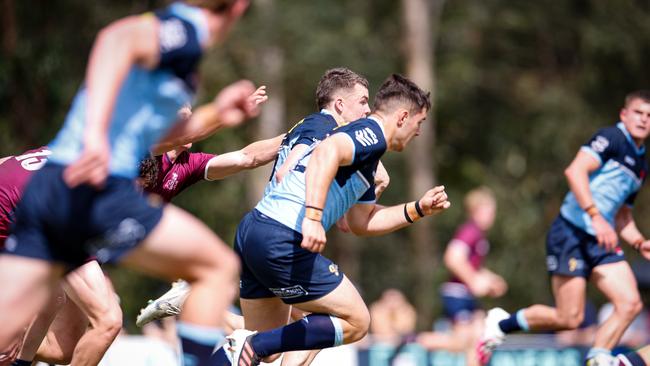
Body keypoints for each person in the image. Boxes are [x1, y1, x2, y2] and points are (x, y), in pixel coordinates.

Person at [0, 2, 259, 366]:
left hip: (53, 186)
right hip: (94, 189)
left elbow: (155, 135)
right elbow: (114, 39)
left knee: (10, 334)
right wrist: (93, 134)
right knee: (217, 268)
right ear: (237, 7)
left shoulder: (181, 51)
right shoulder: (189, 28)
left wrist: (216, 114)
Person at [139, 67, 388, 365]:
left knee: (270, 342)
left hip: (260, 235)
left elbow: (246, 157)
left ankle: (196, 303)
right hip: (279, 238)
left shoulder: (189, 164)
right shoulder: (145, 147)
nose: (368, 109)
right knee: (337, 319)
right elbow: (290, 167)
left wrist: (291, 139)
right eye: (362, 101)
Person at [219, 74, 450, 366]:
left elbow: (360, 223)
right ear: (403, 117)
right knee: (357, 320)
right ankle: (253, 343)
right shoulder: (371, 132)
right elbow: (327, 151)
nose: (418, 132)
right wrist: (313, 217)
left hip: (255, 230)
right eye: (420, 122)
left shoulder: (367, 158)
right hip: (283, 234)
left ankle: (242, 340)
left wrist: (417, 209)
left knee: (265, 349)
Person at [478, 90, 650, 366]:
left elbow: (622, 216)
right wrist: (595, 216)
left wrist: (640, 242)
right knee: (570, 318)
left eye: (649, 116)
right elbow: (575, 171)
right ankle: (502, 323)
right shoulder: (612, 138)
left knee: (630, 304)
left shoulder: (641, 163)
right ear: (624, 114)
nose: (643, 120)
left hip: (601, 240)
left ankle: (599, 358)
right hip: (572, 233)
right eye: (638, 112)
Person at [0, 147, 122, 366]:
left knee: (62, 347)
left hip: (28, 206)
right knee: (108, 320)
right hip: (20, 209)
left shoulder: (78, 144)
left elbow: (9, 161)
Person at [417, 187, 507, 366]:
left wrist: (491, 280)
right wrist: (474, 281)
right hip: (457, 293)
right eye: (489, 210)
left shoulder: (478, 235)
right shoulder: (470, 231)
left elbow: (472, 266)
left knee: (481, 339)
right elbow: (453, 257)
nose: (492, 216)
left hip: (466, 294)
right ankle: (416, 342)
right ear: (476, 210)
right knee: (464, 341)